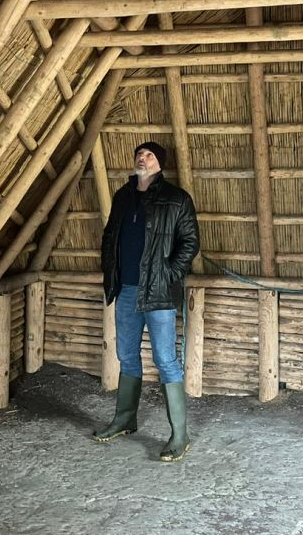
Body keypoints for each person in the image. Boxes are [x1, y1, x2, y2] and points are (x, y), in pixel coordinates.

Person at [95, 141, 200, 462]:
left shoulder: (176, 198)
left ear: (159, 163)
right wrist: (109, 269)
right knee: (126, 355)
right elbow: (111, 236)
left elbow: (190, 241)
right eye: (139, 153)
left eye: (149, 154)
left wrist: (170, 273)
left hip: (158, 292)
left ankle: (180, 435)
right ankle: (125, 419)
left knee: (166, 359)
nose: (142, 157)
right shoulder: (123, 197)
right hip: (125, 289)